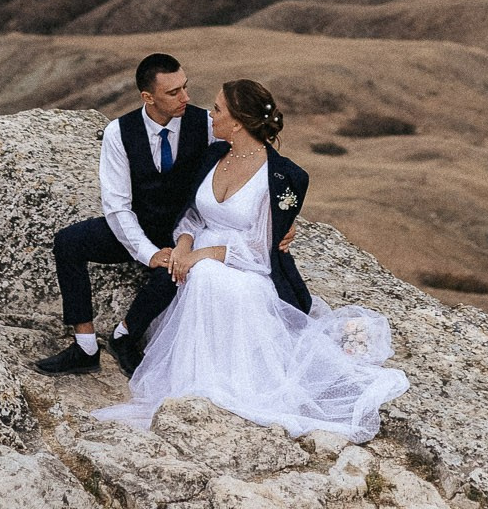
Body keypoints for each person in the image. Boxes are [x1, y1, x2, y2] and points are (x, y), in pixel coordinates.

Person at [93, 79, 408, 442]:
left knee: (207, 275)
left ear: (238, 122)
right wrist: (183, 246)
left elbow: (261, 248)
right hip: (197, 251)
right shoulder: (213, 155)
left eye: (218, 110)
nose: (210, 115)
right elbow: (192, 214)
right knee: (200, 273)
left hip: (247, 267)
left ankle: (216, 382)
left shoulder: (283, 176)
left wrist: (203, 255)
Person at [33, 52, 213, 375]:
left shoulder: (207, 125)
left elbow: (253, 153)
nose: (185, 97)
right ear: (148, 97)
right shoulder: (119, 132)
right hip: (135, 226)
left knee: (177, 271)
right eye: (173, 92)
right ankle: (85, 347)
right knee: (68, 242)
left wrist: (282, 216)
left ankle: (125, 335)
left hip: (183, 230)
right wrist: (147, 253)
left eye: (185, 87)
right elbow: (116, 205)